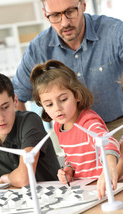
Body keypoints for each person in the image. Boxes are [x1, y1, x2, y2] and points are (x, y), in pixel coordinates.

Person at [12, 0, 123, 140]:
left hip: (117, 129)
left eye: (70, 12)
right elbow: (16, 97)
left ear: (83, 5)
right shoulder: (38, 49)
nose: (64, 23)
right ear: (45, 14)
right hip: (73, 135)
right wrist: (30, 141)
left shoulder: (115, 32)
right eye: (55, 15)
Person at [30, 59, 123, 199]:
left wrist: (110, 167)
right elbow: (73, 157)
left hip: (105, 189)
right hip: (85, 190)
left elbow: (107, 142)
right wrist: (69, 170)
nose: (57, 108)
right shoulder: (58, 126)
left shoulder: (88, 121)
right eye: (49, 104)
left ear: (77, 95)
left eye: (63, 99)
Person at [0, 72, 60, 187]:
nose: (0, 118)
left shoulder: (30, 121)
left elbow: (25, 178)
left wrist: (6, 177)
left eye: (5, 107)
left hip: (55, 199)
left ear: (15, 101)